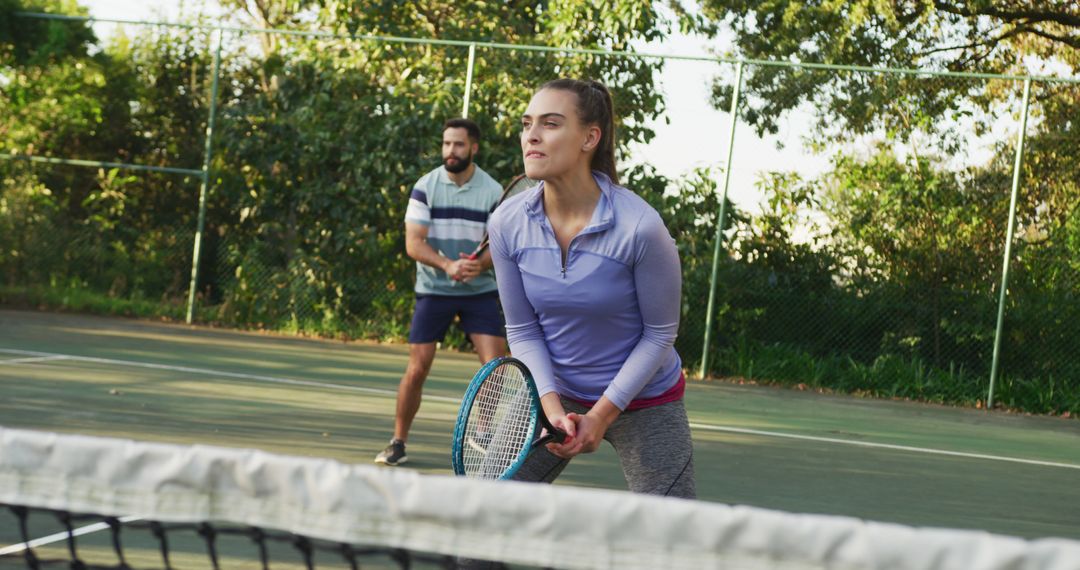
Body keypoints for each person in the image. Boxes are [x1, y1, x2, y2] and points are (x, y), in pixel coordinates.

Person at [486, 79, 695, 497]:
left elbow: (659, 335)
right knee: (475, 523)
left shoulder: (641, 228)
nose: (532, 135)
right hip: (553, 394)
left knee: (671, 539)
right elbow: (523, 331)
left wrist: (601, 415)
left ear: (589, 137)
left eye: (550, 123)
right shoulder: (507, 223)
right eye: (527, 124)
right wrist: (552, 410)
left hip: (644, 398)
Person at [375, 118, 508, 466]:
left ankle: (482, 431)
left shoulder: (493, 192)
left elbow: (502, 245)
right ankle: (397, 442)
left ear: (473, 148)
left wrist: (479, 265)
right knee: (417, 369)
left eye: (459, 145)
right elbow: (413, 244)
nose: (451, 151)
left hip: (479, 290)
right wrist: (449, 265)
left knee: (494, 367)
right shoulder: (425, 186)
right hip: (434, 288)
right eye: (447, 144)